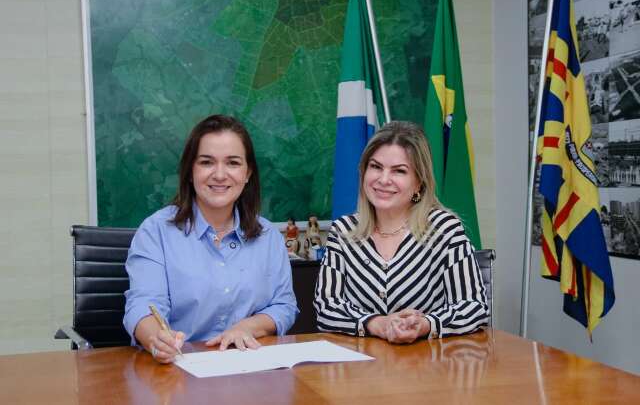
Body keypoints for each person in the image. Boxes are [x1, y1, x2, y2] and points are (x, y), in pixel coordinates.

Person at [124, 114, 298, 363]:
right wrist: (156, 338)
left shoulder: (268, 236)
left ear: (247, 173)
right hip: (179, 368)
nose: (219, 174)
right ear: (190, 171)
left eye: (233, 163)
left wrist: (247, 327)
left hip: (249, 367)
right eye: (207, 162)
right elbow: (143, 304)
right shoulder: (155, 232)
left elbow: (284, 306)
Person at [314, 121, 488, 343]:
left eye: (399, 171)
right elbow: (326, 307)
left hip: (426, 360)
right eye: (376, 167)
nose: (383, 180)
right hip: (360, 362)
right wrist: (378, 324)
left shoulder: (444, 229)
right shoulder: (343, 231)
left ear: (419, 183)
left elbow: (474, 306)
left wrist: (425, 325)